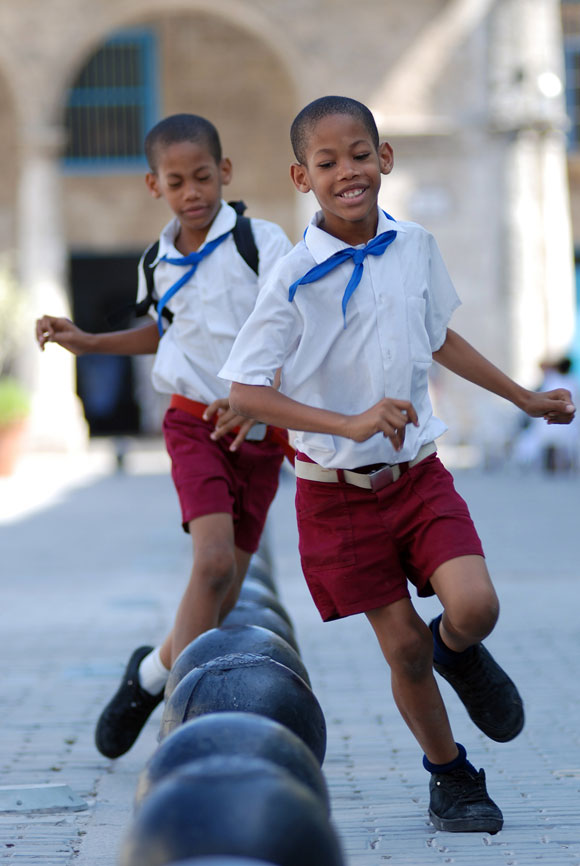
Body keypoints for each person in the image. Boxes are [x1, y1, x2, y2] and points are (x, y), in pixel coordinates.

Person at [219, 96, 576, 834]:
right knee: (404, 648)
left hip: (417, 476)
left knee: (475, 607)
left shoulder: (414, 244)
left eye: (359, 154)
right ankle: (451, 778)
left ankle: (462, 654)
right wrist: (346, 422)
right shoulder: (289, 276)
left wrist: (522, 396)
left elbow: (438, 335)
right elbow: (247, 391)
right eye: (327, 162)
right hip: (336, 496)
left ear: (385, 158)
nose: (347, 171)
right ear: (302, 176)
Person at [36, 113, 292, 759]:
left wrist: (269, 401)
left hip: (258, 435)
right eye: (176, 182)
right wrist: (90, 341)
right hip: (193, 425)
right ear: (155, 186)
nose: (192, 192)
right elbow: (163, 330)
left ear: (224, 172)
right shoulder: (158, 258)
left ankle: (148, 674)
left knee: (226, 588)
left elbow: (295, 325)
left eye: (203, 177)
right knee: (209, 564)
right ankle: (179, 719)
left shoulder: (261, 244)